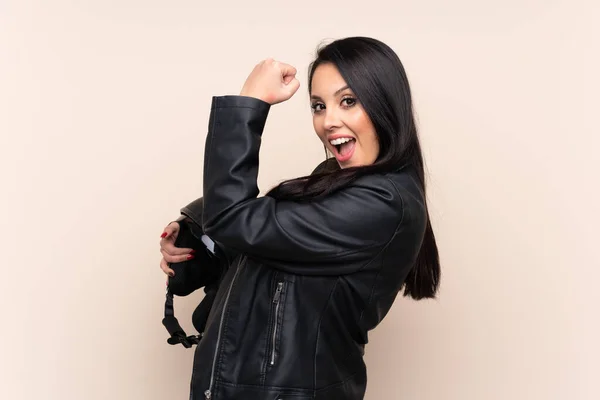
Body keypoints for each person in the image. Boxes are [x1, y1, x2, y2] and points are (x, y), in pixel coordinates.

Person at [158, 36, 441, 400]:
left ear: (386, 105)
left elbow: (235, 218)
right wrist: (193, 234)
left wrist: (250, 102)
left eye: (348, 101)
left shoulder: (382, 203)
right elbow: (260, 244)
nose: (328, 121)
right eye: (319, 106)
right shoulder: (336, 182)